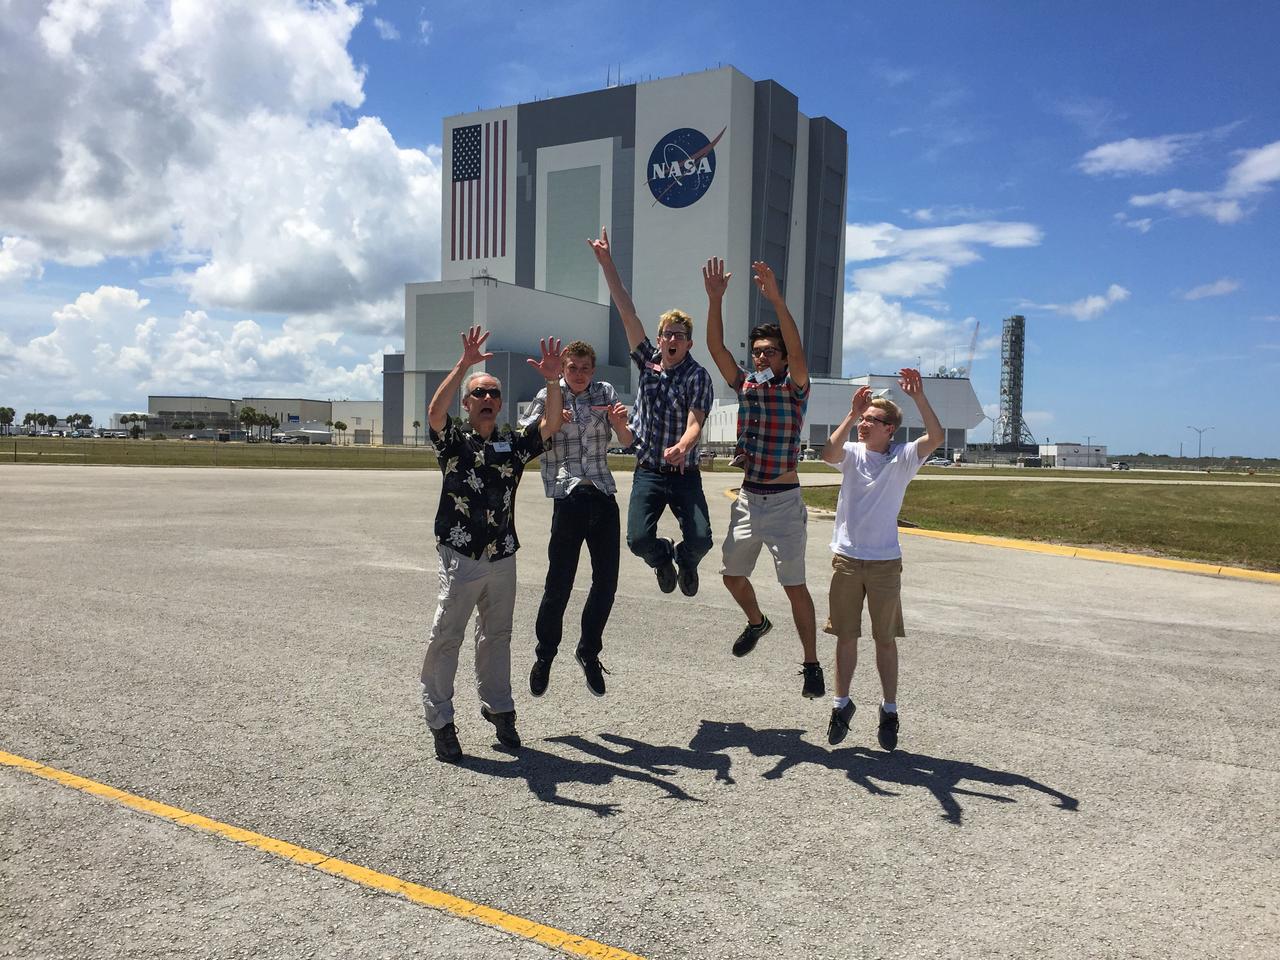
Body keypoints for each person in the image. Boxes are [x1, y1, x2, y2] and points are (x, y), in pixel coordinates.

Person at [420, 326, 564, 763]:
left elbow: (551, 424)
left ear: (500, 404)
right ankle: (441, 719)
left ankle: (499, 708)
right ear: (467, 403)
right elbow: (434, 413)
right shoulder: (453, 442)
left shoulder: (511, 445)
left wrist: (553, 381)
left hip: (502, 552)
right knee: (448, 635)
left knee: (497, 635)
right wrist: (463, 365)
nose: (486, 398)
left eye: (493, 394)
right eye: (478, 393)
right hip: (461, 552)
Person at [702, 258, 823, 699]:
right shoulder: (747, 385)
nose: (761, 357)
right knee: (731, 577)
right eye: (757, 351)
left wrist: (776, 299)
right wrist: (715, 300)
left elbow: (799, 350)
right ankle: (757, 623)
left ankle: (811, 664)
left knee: (794, 587)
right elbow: (716, 349)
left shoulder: (796, 387)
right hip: (749, 499)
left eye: (770, 351)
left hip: (785, 502)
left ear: (784, 358)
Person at [587, 227, 714, 596]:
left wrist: (683, 446)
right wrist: (607, 263)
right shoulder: (647, 361)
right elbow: (627, 311)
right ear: (659, 339)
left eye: (679, 335)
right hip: (649, 471)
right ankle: (661, 557)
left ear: (689, 343)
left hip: (684, 472)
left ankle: (685, 559)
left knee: (702, 539)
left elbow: (695, 423)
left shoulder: (697, 376)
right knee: (638, 540)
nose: (672, 339)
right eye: (667, 334)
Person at [820, 371, 943, 751]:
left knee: (885, 639)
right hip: (847, 559)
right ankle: (841, 704)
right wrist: (850, 413)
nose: (863, 424)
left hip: (885, 562)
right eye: (863, 418)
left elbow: (936, 437)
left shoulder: (903, 457)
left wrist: (918, 398)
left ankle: (889, 709)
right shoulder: (852, 453)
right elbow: (827, 454)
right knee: (845, 635)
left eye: (870, 420)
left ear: (889, 429)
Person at [520, 340, 633, 698]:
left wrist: (620, 425)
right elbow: (529, 435)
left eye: (585, 368)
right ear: (563, 368)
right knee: (559, 583)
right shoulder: (549, 393)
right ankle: (545, 655)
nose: (579, 374)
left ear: (593, 370)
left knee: (606, 583)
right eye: (573, 368)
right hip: (567, 496)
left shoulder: (605, 391)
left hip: (602, 493)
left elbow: (627, 440)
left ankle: (588, 651)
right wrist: (551, 419)